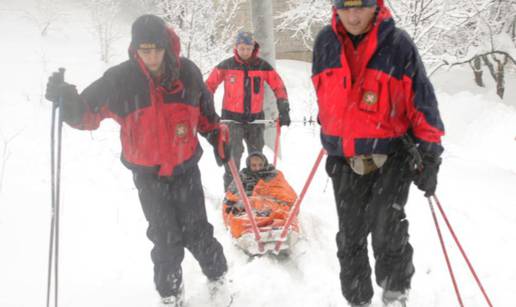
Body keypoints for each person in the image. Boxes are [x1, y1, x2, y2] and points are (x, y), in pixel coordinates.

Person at [45, 14, 231, 307]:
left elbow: (206, 115)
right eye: (145, 50)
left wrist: (218, 137)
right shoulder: (121, 79)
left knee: (197, 232)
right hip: (148, 176)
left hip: (185, 171)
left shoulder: (188, 74)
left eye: (157, 48)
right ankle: (170, 295)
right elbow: (86, 113)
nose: (152, 56)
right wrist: (66, 102)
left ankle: (218, 278)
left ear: (166, 46)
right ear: (135, 49)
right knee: (165, 238)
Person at [311, 1, 445, 306]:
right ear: (336, 9)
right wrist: (332, 128)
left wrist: (430, 156)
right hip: (345, 160)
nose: (354, 17)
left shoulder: (398, 45)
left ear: (376, 7)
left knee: (386, 229)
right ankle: (358, 300)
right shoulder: (324, 43)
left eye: (362, 8)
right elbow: (324, 93)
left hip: (392, 157)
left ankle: (396, 294)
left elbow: (423, 103)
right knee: (350, 238)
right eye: (346, 9)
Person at [205, 31, 291, 191]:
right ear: (236, 47)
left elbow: (278, 86)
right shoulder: (226, 66)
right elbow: (208, 87)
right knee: (233, 157)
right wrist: (209, 111)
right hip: (231, 121)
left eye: (248, 48)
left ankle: (258, 190)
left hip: (255, 121)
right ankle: (232, 193)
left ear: (254, 48)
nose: (245, 52)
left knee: (257, 158)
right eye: (242, 48)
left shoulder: (262, 66)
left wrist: (283, 107)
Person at [223, 152, 297, 239]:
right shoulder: (242, 177)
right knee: (238, 219)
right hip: (249, 210)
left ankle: (277, 229)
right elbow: (231, 196)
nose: (257, 168)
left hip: (271, 207)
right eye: (254, 165)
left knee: (284, 214)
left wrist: (268, 198)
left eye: (260, 165)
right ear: (249, 166)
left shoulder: (274, 174)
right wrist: (241, 202)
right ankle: (251, 232)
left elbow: (285, 192)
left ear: (264, 164)